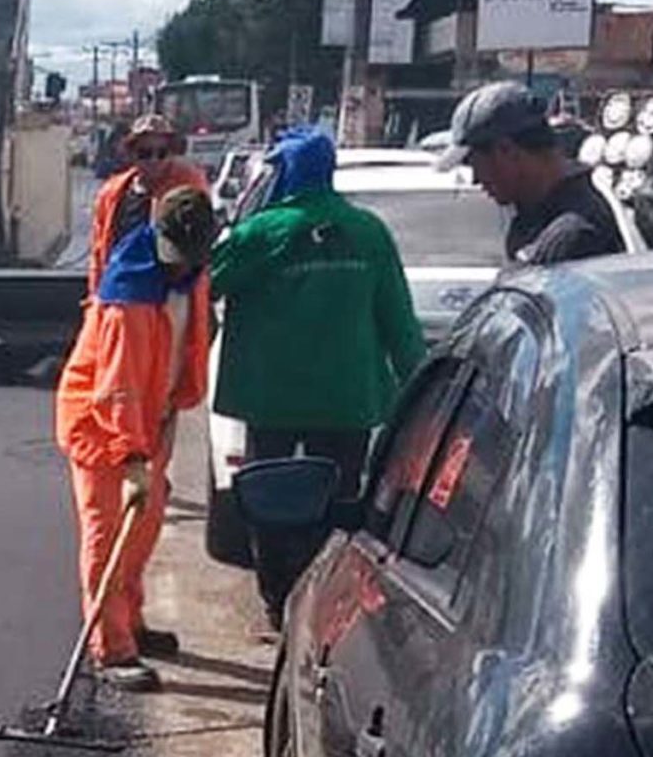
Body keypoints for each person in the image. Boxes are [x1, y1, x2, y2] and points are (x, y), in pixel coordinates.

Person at [210, 126, 424, 624]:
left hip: (272, 399)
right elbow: (398, 319)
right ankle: (329, 601)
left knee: (269, 498)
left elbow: (204, 280)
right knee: (339, 500)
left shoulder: (262, 233)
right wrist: (419, 393)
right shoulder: (368, 232)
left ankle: (278, 599)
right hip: (347, 400)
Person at [55, 186, 216, 692]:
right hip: (105, 428)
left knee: (142, 532)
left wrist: (169, 413)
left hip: (154, 417)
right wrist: (132, 460)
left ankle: (134, 622)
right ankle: (111, 647)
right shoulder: (129, 295)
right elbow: (116, 388)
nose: (179, 266)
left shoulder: (189, 275)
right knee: (108, 536)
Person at [443, 81, 627, 265]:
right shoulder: (534, 218)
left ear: (506, 151)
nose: (476, 180)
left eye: (475, 164)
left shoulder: (571, 236)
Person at [85, 114, 211, 294]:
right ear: (131, 154)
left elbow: (199, 248)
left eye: (162, 153)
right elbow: (98, 253)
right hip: (123, 294)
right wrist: (95, 297)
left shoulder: (187, 187)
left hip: (170, 297)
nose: (154, 160)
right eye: (145, 153)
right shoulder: (111, 194)